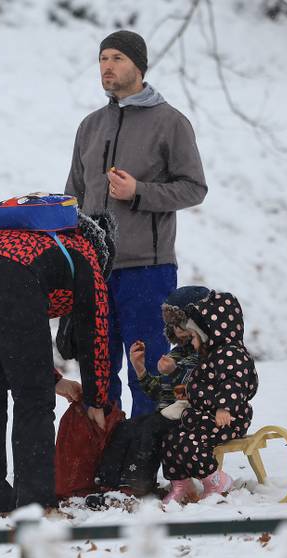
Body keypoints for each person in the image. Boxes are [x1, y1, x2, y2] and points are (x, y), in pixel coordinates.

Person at [64, 30, 208, 418]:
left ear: (139, 66)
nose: (107, 67)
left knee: (148, 371)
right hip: (93, 271)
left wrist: (139, 192)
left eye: (117, 59)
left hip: (147, 269)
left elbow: (194, 189)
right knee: (98, 371)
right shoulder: (89, 126)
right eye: (102, 59)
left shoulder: (171, 123)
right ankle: (107, 463)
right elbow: (72, 196)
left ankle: (144, 466)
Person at [0, 212, 115, 513]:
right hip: (9, 276)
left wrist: (55, 380)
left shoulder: (36, 239)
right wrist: (97, 400)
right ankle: (37, 504)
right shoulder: (87, 255)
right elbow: (96, 333)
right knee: (34, 400)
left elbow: (12, 342)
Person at [93, 286, 208, 496]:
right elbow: (162, 394)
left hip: (193, 417)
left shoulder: (206, 354)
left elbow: (195, 390)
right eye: (172, 324)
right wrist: (141, 370)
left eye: (181, 323)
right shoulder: (178, 352)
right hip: (168, 414)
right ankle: (109, 479)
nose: (178, 330)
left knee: (149, 430)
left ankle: (136, 484)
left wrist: (176, 372)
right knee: (126, 427)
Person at [159, 288, 259, 504]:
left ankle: (215, 480)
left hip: (229, 418)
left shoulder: (231, 354)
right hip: (205, 415)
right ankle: (181, 483)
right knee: (171, 439)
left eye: (194, 337)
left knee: (188, 441)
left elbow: (235, 383)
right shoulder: (211, 355)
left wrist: (225, 407)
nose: (192, 343)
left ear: (209, 333)